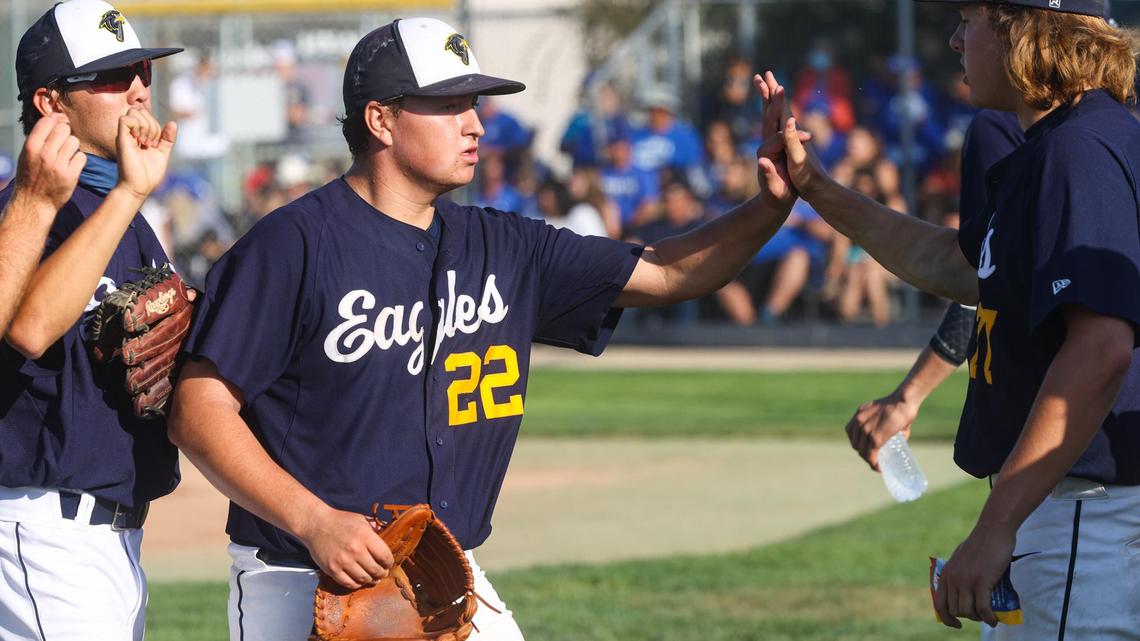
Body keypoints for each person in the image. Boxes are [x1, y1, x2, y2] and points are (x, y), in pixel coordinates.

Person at [167, 17, 806, 641]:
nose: (475, 124)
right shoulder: (291, 246)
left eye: (473, 103)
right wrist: (314, 522)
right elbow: (199, 410)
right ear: (380, 119)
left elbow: (669, 273)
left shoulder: (503, 246)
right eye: (448, 106)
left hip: (446, 574)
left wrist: (770, 205)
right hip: (302, 577)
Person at [776, 0, 1140, 637]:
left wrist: (997, 524)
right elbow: (960, 266)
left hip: (1085, 510)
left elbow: (1101, 349)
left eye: (968, 21)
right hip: (1070, 505)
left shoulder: (1077, 150)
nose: (953, 40)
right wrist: (816, 187)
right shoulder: (1063, 141)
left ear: (1019, 29)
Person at [0, 1, 181, 639]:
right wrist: (131, 192)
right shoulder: (21, 212)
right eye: (111, 76)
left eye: (141, 69)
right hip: (44, 528)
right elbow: (28, 329)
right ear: (51, 103)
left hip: (108, 537)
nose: (137, 86)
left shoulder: (121, 216)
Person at [846, 109, 1023, 470]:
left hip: (1061, 456)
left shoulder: (999, 126)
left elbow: (986, 282)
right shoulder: (1114, 128)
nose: (957, 47)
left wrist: (908, 397)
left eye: (967, 44)